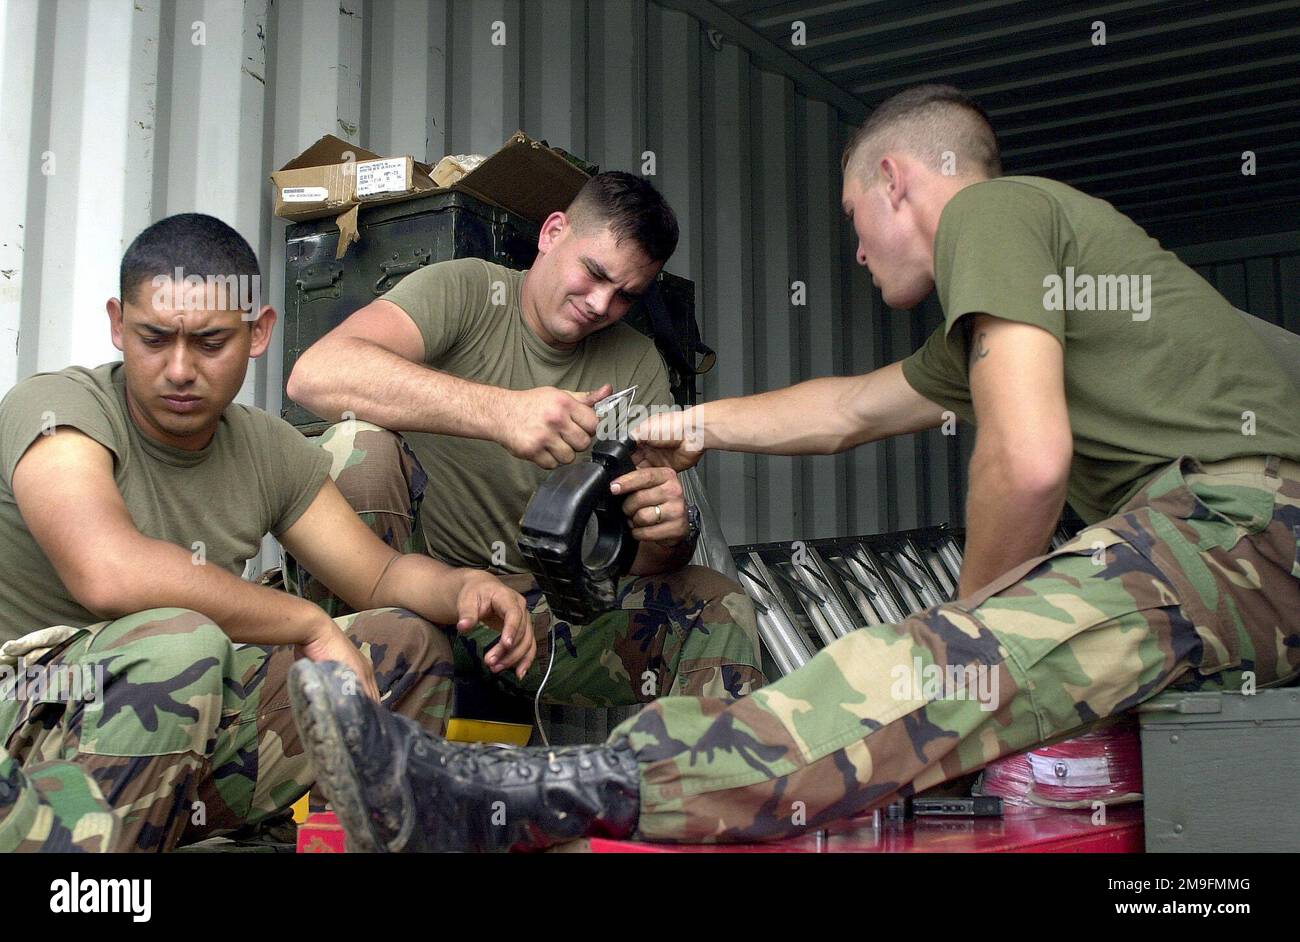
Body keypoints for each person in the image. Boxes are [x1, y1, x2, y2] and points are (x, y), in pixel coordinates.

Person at [286, 84, 1300, 852]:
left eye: (854, 218)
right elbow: (852, 408)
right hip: (1235, 530)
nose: (854, 251)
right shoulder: (466, 293)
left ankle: (514, 803)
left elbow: (1028, 461)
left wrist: (968, 655)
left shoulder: (997, 217)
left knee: (922, 665)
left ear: (896, 183)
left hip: (1244, 520)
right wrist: (698, 425)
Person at [0, 213, 528, 852]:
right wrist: (308, 622)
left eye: (210, 342)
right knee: (181, 642)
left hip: (177, 701)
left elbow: (379, 573)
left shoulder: (263, 447)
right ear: (117, 324)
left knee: (404, 645)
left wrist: (467, 585)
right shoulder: (59, 411)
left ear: (259, 332)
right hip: (33, 710)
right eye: (153, 338)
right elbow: (108, 573)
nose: (179, 369)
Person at [285, 171, 764, 708]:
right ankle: (348, 701)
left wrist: (666, 535)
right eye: (594, 273)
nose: (601, 304)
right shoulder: (467, 290)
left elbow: (637, 563)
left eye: (626, 295)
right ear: (553, 232)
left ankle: (712, 788)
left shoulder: (635, 363)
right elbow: (317, 374)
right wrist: (501, 413)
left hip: (536, 616)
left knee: (717, 602)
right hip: (409, 593)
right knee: (356, 444)